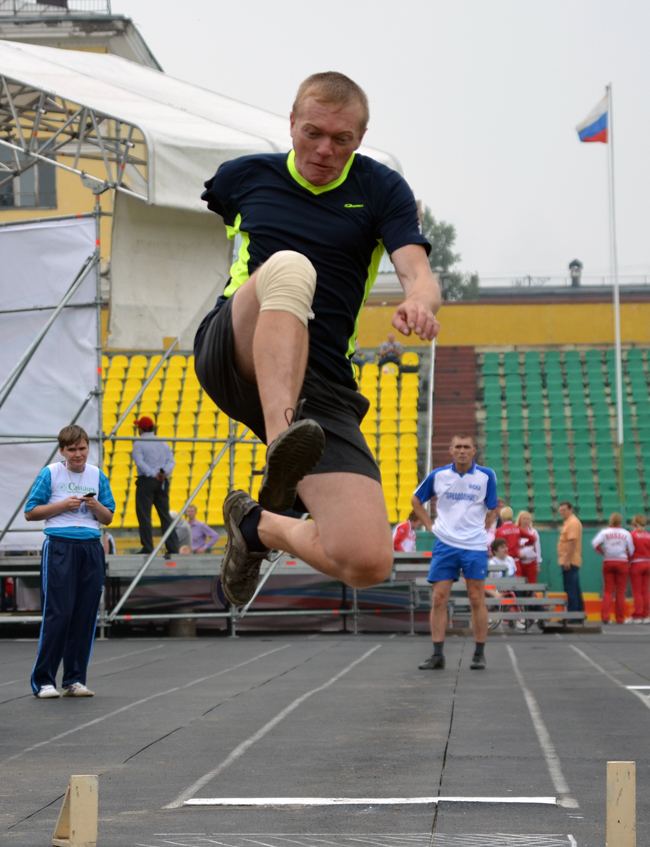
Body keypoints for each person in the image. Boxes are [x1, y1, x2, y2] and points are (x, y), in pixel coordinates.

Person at [195, 71, 440, 606]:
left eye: (342, 139)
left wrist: (419, 299)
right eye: (313, 134)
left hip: (321, 379)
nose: (325, 150)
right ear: (291, 124)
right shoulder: (245, 177)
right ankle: (284, 442)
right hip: (233, 349)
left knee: (367, 560)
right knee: (290, 267)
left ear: (360, 137)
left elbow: (418, 272)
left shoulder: (380, 189)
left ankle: (259, 527)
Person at [24, 425, 115, 698]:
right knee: (59, 614)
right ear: (62, 450)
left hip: (90, 547)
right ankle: (44, 681)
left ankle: (74, 679)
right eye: (72, 449)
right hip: (60, 546)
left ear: (88, 448)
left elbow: (108, 517)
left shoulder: (97, 475)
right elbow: (31, 512)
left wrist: (95, 506)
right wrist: (63, 505)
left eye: (82, 448)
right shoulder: (51, 473)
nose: (78, 454)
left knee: (85, 615)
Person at [411, 433, 498, 671]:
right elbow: (416, 500)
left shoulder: (486, 475)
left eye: (466, 447)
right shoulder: (438, 475)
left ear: (474, 451)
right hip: (445, 544)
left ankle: (479, 654)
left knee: (476, 598)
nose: (462, 450)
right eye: (458, 446)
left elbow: (493, 506)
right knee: (439, 599)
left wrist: (485, 525)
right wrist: (430, 527)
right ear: (451, 450)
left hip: (474, 546)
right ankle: (438, 655)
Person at [132, 416, 179, 556]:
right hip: (162, 481)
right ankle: (173, 546)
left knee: (144, 515)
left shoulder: (139, 443)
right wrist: (163, 473)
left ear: (140, 429)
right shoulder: (163, 442)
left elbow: (140, 462)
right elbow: (172, 461)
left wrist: (153, 473)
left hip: (147, 481)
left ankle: (148, 546)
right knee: (165, 515)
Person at [592, 512, 634, 625]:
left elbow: (594, 544)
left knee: (608, 590)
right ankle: (619, 618)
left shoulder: (605, 532)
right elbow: (631, 550)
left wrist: (602, 552)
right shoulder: (626, 533)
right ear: (620, 521)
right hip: (622, 562)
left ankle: (605, 616)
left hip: (608, 561)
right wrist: (627, 559)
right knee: (621, 591)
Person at [557, 501, 584, 621]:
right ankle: (578, 614)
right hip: (571, 560)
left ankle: (573, 615)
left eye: (564, 510)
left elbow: (572, 542)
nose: (562, 512)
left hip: (570, 561)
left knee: (571, 589)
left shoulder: (572, 523)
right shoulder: (570, 522)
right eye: (560, 510)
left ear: (571, 510)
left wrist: (567, 560)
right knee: (575, 589)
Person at [494, 507, 536, 577]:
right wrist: (524, 545)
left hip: (503, 561)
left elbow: (496, 546)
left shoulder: (499, 531)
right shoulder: (517, 529)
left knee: (503, 585)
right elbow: (533, 538)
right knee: (517, 585)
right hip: (516, 561)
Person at [630, 514, 650, 624]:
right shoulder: (648, 535)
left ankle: (637, 615)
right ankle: (645, 615)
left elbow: (629, 550)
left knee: (637, 591)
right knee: (645, 591)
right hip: (647, 563)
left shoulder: (632, 535)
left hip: (636, 563)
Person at [516, 510, 542, 585]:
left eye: (528, 519)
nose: (526, 521)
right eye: (524, 519)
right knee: (519, 585)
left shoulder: (533, 532)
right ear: (519, 520)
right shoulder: (515, 531)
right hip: (518, 562)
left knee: (532, 584)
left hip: (531, 562)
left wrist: (538, 565)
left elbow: (537, 548)